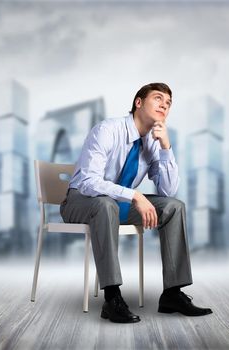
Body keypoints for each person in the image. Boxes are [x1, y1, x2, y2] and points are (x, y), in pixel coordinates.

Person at [60, 82, 212, 323]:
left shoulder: (152, 142)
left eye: (169, 103)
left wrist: (165, 147)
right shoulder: (108, 130)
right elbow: (89, 182)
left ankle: (172, 293)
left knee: (174, 207)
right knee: (104, 205)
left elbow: (168, 190)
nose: (164, 104)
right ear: (138, 103)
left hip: (116, 204)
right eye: (158, 98)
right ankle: (112, 298)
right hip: (81, 201)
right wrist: (135, 196)